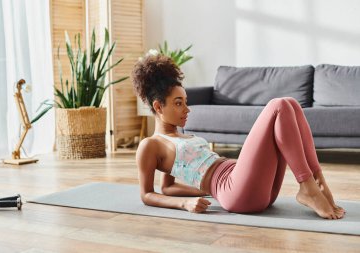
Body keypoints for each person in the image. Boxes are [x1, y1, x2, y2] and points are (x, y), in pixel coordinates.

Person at [131, 55, 346, 219]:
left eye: (185, 101)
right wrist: (186, 203)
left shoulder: (182, 135)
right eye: (179, 103)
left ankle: (318, 181)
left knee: (291, 103)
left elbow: (168, 187)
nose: (187, 109)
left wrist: (204, 192)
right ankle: (307, 186)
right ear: (158, 106)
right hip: (235, 190)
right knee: (278, 106)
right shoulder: (150, 145)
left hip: (250, 185)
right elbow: (147, 194)